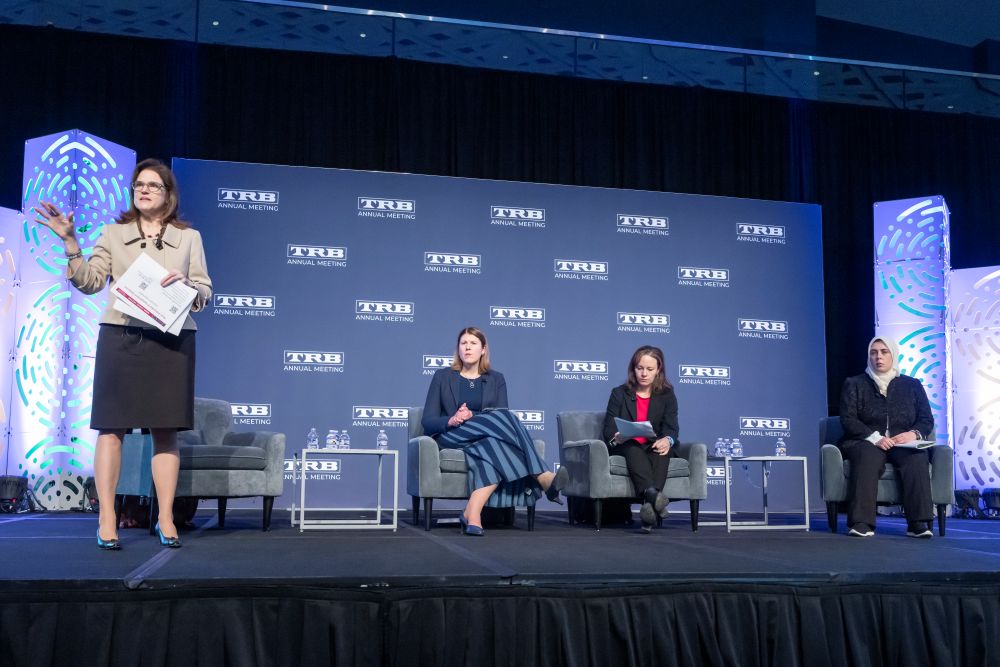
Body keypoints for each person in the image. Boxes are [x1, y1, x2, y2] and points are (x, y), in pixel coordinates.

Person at [32, 158, 212, 550]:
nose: (143, 190)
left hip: (171, 341)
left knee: (165, 431)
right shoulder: (113, 234)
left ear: (168, 193)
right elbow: (91, 282)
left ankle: (165, 517)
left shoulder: (189, 238)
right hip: (121, 337)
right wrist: (70, 243)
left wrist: (188, 286)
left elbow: (205, 293)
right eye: (138, 185)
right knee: (111, 428)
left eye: (152, 185)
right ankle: (108, 516)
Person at [422, 327, 566, 535]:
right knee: (505, 418)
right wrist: (452, 419)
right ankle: (542, 475)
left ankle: (472, 514)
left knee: (494, 442)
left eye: (473, 343)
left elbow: (500, 419)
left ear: (483, 350)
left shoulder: (496, 379)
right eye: (464, 343)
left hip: (485, 438)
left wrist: (474, 416)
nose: (468, 347)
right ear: (458, 349)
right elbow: (428, 421)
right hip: (452, 435)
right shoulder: (442, 377)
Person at [838, 336, 934, 538]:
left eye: (884, 352)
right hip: (866, 441)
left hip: (902, 443)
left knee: (916, 458)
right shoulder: (854, 383)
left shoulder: (912, 385)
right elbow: (848, 419)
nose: (878, 357)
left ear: (893, 355)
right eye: (873, 353)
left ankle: (918, 522)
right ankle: (861, 522)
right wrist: (875, 438)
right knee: (867, 456)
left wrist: (912, 433)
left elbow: (926, 419)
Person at [603, 345, 679, 533]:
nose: (644, 373)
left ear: (658, 370)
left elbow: (672, 428)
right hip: (626, 445)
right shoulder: (619, 393)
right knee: (633, 446)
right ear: (633, 369)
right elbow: (608, 429)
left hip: (652, 445)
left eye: (649, 369)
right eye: (639, 368)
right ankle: (655, 498)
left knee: (662, 451)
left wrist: (667, 440)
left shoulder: (667, 394)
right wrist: (617, 437)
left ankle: (649, 505)